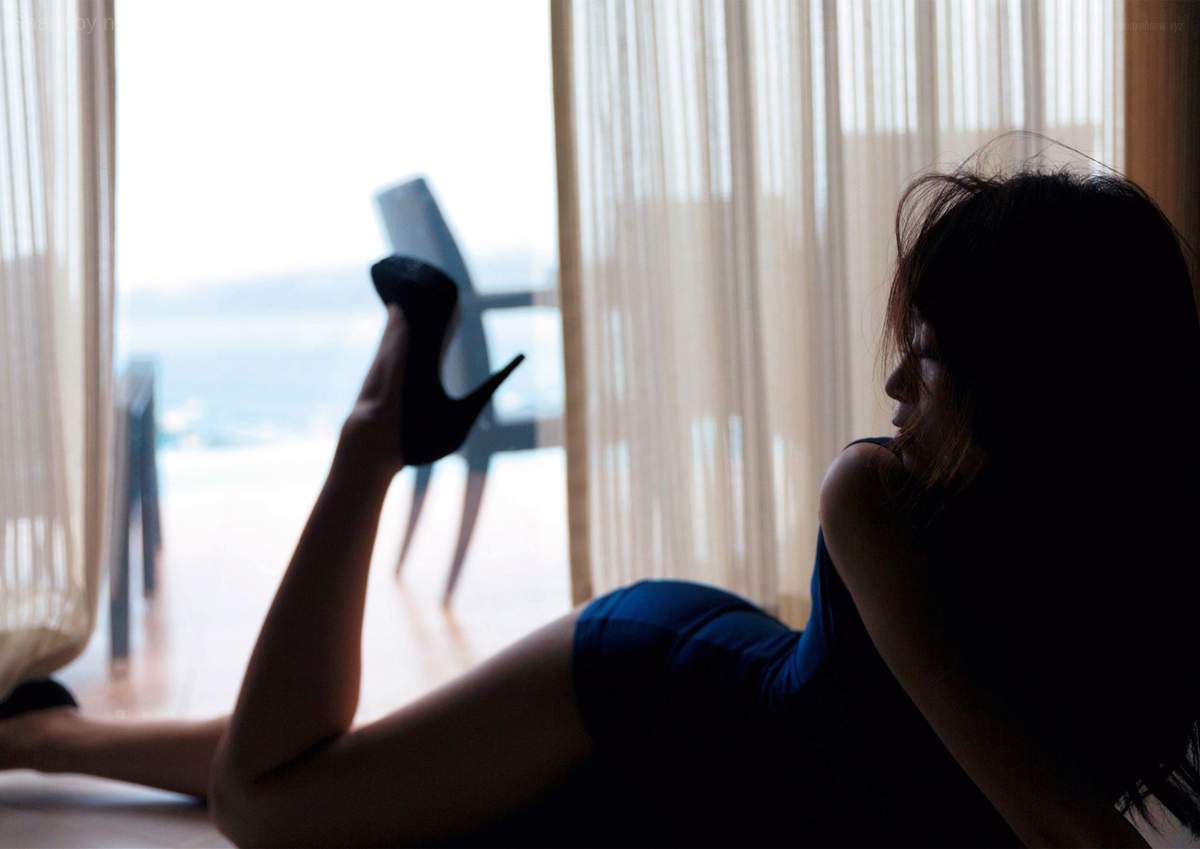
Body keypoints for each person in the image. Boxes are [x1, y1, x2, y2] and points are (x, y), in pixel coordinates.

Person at [2, 159, 1198, 849]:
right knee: (264, 806)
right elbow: (1059, 828)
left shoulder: (1126, 539)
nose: (891, 390)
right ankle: (377, 439)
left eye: (925, 360)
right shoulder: (876, 491)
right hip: (642, 699)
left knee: (344, 770)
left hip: (742, 717)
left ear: (1034, 383)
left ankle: (29, 733)